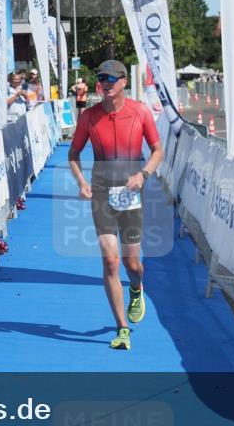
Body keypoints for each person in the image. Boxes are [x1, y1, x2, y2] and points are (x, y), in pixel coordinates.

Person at [67, 59, 164, 351]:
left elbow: (158, 150)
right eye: (101, 78)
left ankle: (136, 288)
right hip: (100, 191)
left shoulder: (140, 111)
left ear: (123, 82)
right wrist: (81, 183)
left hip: (130, 193)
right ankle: (122, 328)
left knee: (131, 263)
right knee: (110, 261)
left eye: (111, 78)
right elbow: (73, 154)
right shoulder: (89, 117)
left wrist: (143, 174)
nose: (105, 83)